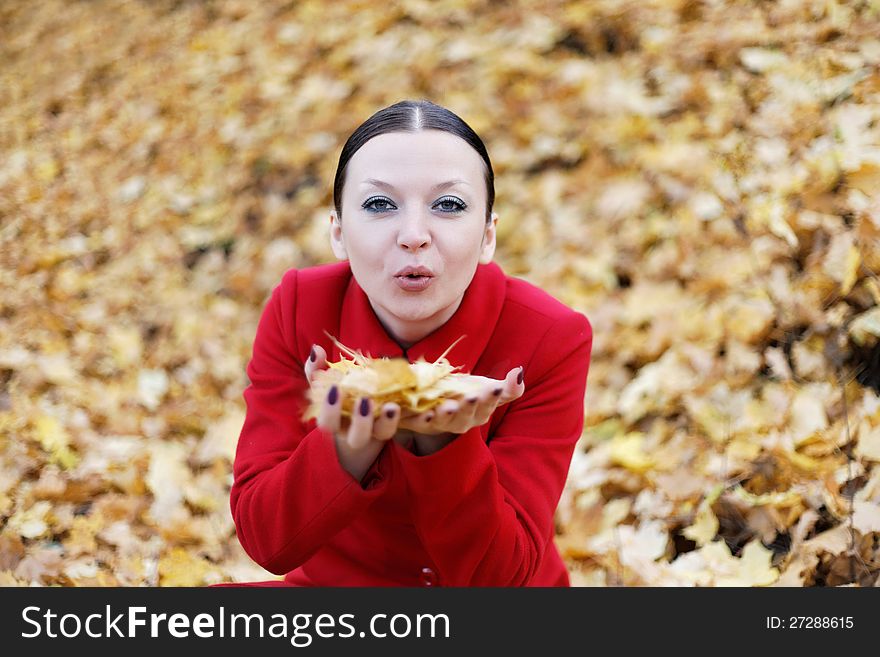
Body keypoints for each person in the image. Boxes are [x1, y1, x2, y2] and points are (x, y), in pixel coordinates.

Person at [213, 99, 593, 587]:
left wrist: (446, 440)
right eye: (379, 204)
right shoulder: (299, 309)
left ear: (487, 237)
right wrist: (353, 437)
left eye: (449, 205)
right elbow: (267, 540)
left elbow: (505, 576)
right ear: (338, 233)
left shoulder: (550, 336)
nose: (414, 235)